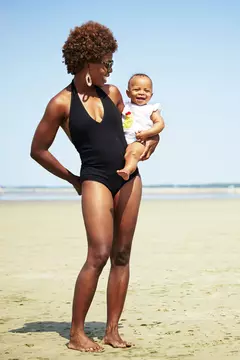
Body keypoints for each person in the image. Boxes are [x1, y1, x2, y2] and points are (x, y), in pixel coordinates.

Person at [30, 21, 159, 352]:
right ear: (88, 61)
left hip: (128, 178)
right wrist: (73, 179)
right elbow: (38, 150)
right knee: (99, 253)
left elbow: (130, 129)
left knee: (122, 254)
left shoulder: (114, 93)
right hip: (95, 179)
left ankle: (112, 331)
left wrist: (150, 140)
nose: (110, 69)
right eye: (107, 62)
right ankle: (76, 333)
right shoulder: (61, 103)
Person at [117, 74, 165, 180]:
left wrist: (147, 134)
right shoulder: (125, 107)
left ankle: (127, 170)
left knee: (133, 153)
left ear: (151, 95)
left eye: (146, 91)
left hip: (139, 141)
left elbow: (160, 124)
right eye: (136, 89)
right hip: (123, 139)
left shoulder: (151, 109)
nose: (142, 93)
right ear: (128, 93)